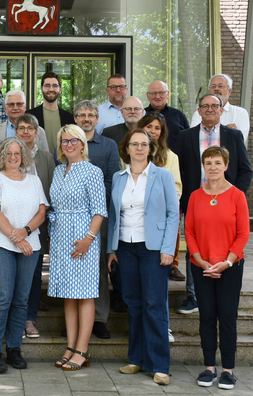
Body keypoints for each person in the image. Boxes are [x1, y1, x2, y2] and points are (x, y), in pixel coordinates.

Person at [107, 128, 179, 386]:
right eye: (134, 144)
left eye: (143, 144)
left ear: (150, 148)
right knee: (133, 304)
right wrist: (111, 249)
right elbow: (114, 216)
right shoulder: (118, 177)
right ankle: (136, 358)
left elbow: (173, 214)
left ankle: (160, 365)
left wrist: (168, 249)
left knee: (154, 305)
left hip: (154, 249)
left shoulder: (163, 176)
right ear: (126, 149)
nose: (139, 148)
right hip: (126, 248)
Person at [175, 94, 252, 315]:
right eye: (205, 106)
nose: (210, 109)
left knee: (226, 243)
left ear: (221, 110)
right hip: (195, 201)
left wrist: (234, 197)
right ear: (198, 111)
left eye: (214, 106)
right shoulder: (184, 136)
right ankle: (193, 295)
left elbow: (246, 170)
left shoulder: (234, 136)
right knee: (194, 245)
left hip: (226, 203)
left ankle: (222, 286)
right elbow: (179, 172)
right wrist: (183, 200)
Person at [185, 146, 250, 391]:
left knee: (227, 317)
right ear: (204, 166)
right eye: (208, 163)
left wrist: (228, 261)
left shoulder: (237, 196)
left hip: (230, 266)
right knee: (207, 316)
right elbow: (189, 231)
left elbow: (243, 234)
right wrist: (201, 261)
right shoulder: (195, 196)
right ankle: (209, 367)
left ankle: (228, 370)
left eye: (217, 163)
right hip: (201, 266)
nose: (212, 167)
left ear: (226, 165)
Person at [0, 138, 48, 374]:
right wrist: (16, 236)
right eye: (8, 153)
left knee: (21, 299)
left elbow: (42, 211)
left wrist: (26, 232)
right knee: (2, 297)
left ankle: (13, 348)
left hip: (30, 245)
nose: (13, 157)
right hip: (1, 244)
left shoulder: (33, 180)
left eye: (17, 153)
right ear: (1, 155)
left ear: (23, 157)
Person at [48, 124, 107, 371]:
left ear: (82, 144)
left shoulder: (92, 171)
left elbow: (99, 210)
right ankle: (70, 346)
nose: (69, 145)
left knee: (84, 294)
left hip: (84, 239)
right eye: (64, 141)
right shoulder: (59, 170)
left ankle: (82, 349)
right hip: (61, 237)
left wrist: (88, 239)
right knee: (68, 295)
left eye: (73, 140)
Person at [72, 101, 119, 340]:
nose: (86, 118)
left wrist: (92, 209)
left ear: (97, 118)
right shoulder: (69, 143)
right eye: (82, 115)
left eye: (91, 115)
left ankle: (99, 319)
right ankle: (74, 322)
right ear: (75, 118)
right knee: (73, 268)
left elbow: (111, 182)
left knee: (98, 268)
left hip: (97, 219)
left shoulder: (108, 145)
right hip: (71, 219)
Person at [14, 114, 56, 338]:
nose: (26, 132)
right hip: (12, 226)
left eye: (30, 128)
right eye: (21, 128)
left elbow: (49, 191)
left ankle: (29, 318)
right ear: (16, 131)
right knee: (13, 274)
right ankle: (14, 319)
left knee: (34, 274)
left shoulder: (47, 158)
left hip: (38, 225)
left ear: (37, 132)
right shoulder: (9, 155)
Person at [137, 114, 185, 282]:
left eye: (157, 128)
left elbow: (176, 189)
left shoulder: (171, 157)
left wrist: (160, 208)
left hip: (160, 216)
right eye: (149, 126)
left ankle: (171, 266)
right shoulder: (129, 153)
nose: (153, 131)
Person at [190, 74, 250, 144]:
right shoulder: (199, 113)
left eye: (221, 86)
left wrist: (208, 133)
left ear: (229, 91)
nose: (216, 89)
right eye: (213, 86)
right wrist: (227, 131)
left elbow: (238, 142)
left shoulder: (240, 113)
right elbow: (194, 140)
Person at [27, 71, 75, 153]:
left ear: (60, 90)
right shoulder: (30, 116)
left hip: (64, 162)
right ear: (41, 89)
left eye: (55, 86)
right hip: (38, 163)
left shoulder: (70, 118)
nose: (51, 89)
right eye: (47, 85)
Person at [144, 80, 189, 150]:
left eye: (161, 93)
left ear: (168, 94)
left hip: (175, 159)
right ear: (148, 96)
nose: (157, 96)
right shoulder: (142, 115)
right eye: (153, 93)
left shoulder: (179, 115)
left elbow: (187, 141)